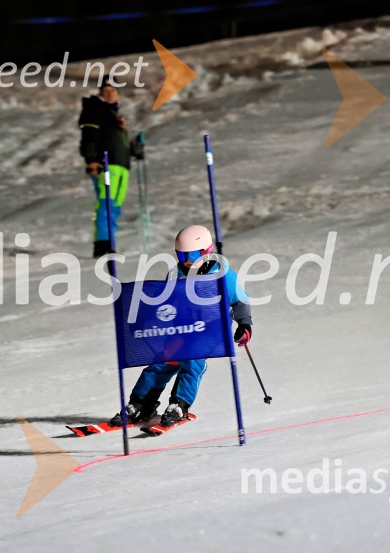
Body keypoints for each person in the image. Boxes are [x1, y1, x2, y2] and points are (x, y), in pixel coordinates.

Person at [110, 225, 254, 427]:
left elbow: (240, 300)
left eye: (192, 254)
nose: (186, 259)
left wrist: (244, 324)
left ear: (206, 251)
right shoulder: (175, 275)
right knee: (163, 361)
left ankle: (179, 404)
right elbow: (163, 302)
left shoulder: (222, 275)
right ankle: (141, 403)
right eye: (181, 254)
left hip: (210, 330)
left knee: (192, 360)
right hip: (183, 329)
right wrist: (143, 318)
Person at [78, 77, 131, 258]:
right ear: (101, 92)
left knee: (114, 205)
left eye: (113, 90)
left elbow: (114, 140)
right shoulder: (95, 109)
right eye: (106, 90)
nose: (110, 94)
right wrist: (91, 159)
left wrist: (132, 148)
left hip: (121, 165)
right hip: (106, 164)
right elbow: (89, 136)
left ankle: (110, 241)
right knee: (105, 203)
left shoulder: (113, 114)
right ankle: (102, 245)